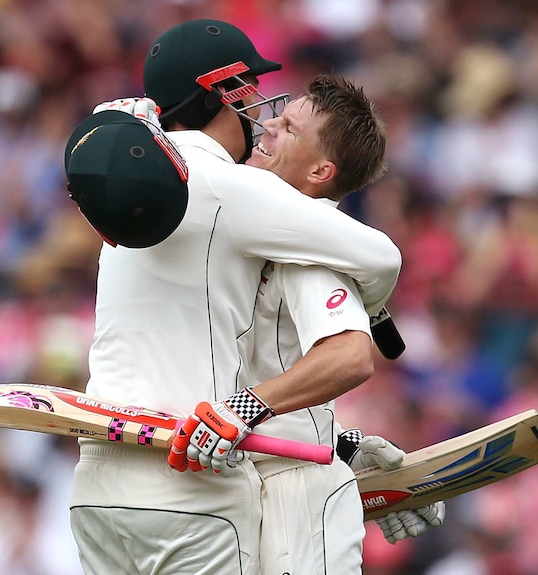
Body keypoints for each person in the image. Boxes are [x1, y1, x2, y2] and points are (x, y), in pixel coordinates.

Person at [66, 19, 403, 575]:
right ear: (213, 95)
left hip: (97, 486)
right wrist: (373, 303)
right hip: (187, 481)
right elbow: (383, 258)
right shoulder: (239, 188)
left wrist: (337, 443)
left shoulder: (130, 179)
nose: (262, 115)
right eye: (245, 89)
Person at [170, 73, 445, 573]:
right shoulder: (256, 225)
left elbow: (349, 356)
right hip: (262, 481)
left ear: (321, 171)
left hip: (301, 497)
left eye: (290, 129)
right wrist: (343, 444)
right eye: (278, 116)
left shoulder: (311, 254)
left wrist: (241, 411)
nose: (267, 126)